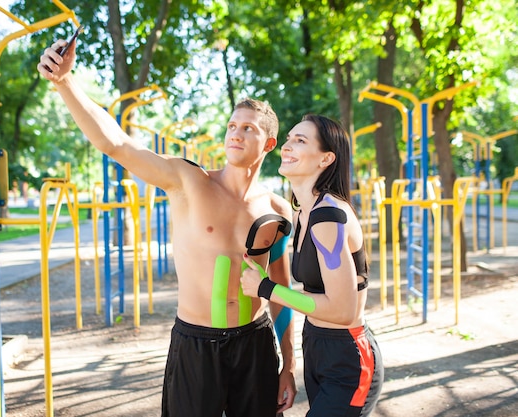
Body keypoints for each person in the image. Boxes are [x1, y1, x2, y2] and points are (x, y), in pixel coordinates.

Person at [37, 37, 297, 416]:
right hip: (196, 341)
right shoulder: (189, 181)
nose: (236, 134)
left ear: (269, 143)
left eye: (249, 129)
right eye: (232, 126)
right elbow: (117, 145)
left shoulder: (276, 210)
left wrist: (287, 365)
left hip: (254, 343)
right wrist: (65, 82)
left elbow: (281, 291)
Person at [241, 114, 384, 416]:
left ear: (326, 158)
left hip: (347, 356)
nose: (287, 146)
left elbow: (343, 310)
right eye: (289, 138)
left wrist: (266, 288)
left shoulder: (328, 216)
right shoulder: (304, 213)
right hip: (317, 345)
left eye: (300, 141)